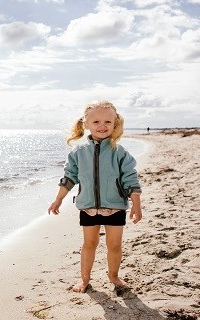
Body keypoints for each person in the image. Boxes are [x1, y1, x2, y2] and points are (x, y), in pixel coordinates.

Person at [48, 101, 143, 293]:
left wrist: (136, 204)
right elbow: (69, 178)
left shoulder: (119, 152)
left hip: (115, 206)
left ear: (115, 124)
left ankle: (114, 276)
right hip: (88, 207)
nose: (102, 125)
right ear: (86, 124)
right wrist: (58, 199)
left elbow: (130, 179)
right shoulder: (78, 153)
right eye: (97, 121)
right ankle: (84, 280)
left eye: (108, 121)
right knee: (89, 244)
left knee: (114, 246)